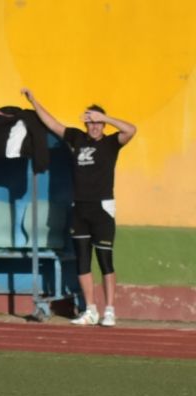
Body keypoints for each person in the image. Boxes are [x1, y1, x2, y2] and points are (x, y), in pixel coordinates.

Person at [22, 89, 136, 326]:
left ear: (103, 125)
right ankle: (91, 310)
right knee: (82, 260)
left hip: (102, 208)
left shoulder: (111, 143)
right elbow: (52, 124)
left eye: (98, 123)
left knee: (105, 260)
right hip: (79, 208)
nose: (94, 127)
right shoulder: (76, 138)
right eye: (91, 122)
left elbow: (131, 130)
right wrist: (34, 100)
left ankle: (110, 311)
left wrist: (104, 117)